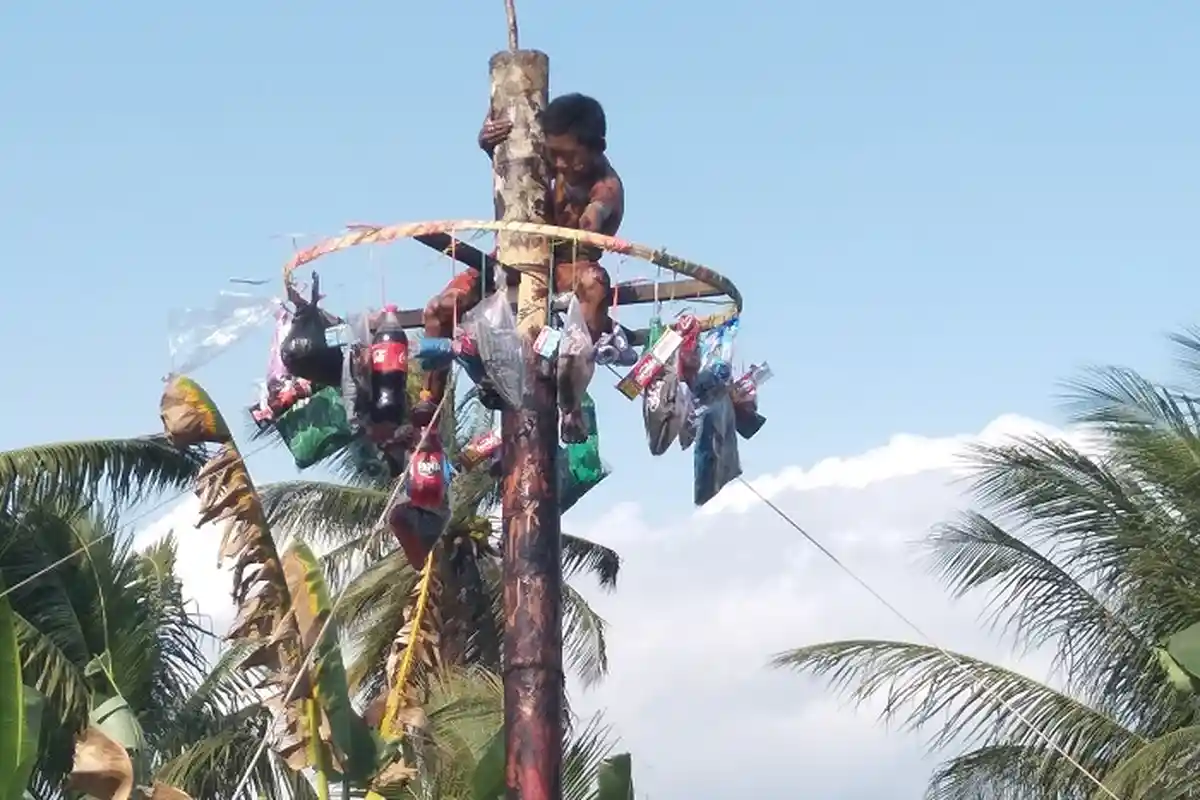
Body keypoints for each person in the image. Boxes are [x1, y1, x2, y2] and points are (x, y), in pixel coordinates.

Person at [416, 93, 627, 423]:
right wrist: (491, 145)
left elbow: (593, 219)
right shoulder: (544, 155)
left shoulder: (606, 188)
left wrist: (589, 218)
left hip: (567, 267)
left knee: (595, 284)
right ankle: (428, 404)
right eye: (553, 154)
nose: (557, 165)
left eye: (569, 157)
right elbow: (510, 166)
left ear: (597, 147)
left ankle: (568, 390)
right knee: (440, 308)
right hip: (511, 259)